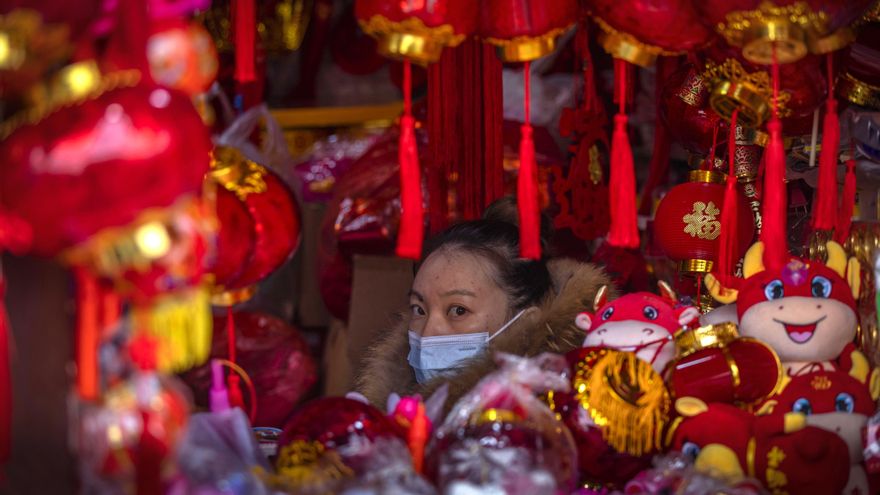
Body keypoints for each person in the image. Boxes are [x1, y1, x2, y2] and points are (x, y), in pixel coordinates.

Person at [355, 197, 614, 410]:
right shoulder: (386, 417)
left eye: (458, 310)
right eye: (419, 309)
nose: (428, 332)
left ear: (525, 324)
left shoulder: (564, 418)